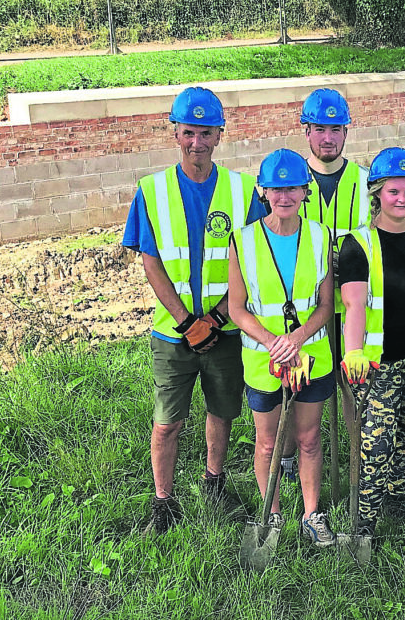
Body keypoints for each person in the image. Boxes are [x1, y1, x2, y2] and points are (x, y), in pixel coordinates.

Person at [123, 86, 265, 536]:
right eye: (189, 133)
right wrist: (188, 323)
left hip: (224, 332)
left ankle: (213, 481)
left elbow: (253, 260)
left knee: (221, 412)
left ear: (220, 135)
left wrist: (217, 319)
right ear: (175, 133)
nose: (197, 143)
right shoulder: (152, 190)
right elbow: (151, 260)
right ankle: (163, 501)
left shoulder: (243, 191)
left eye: (206, 133)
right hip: (173, 334)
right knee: (167, 422)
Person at [228, 149, 337, 545]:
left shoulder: (321, 237)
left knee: (309, 438)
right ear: (263, 191)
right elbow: (237, 308)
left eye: (292, 188)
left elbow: (326, 306)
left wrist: (298, 338)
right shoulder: (242, 241)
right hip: (264, 360)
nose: (284, 196)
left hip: (312, 356)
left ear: (305, 190)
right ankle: (271, 515)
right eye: (276, 189)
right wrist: (274, 342)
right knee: (268, 441)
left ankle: (311, 514)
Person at [337, 147, 405, 539]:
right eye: (393, 191)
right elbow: (354, 304)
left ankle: (396, 499)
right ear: (376, 194)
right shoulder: (359, 244)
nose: (402, 199)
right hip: (380, 363)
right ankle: (365, 520)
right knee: (374, 444)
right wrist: (353, 352)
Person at [291, 88, 371, 484]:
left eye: (335, 129)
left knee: (352, 388)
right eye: (319, 128)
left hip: (354, 309)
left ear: (346, 132)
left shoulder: (364, 180)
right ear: (306, 130)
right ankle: (293, 457)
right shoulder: (289, 180)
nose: (328, 137)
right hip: (303, 309)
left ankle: (357, 463)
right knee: (301, 387)